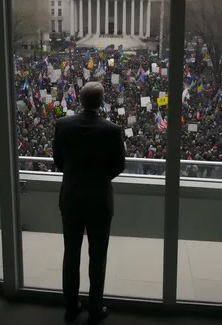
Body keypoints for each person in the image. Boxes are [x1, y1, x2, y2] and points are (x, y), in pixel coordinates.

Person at [53, 82, 126, 324]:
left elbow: (59, 161)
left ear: (80, 100)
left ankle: (71, 308)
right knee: (98, 257)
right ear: (101, 101)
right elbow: (119, 166)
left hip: (71, 199)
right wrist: (100, 179)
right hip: (99, 202)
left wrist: (75, 177)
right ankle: (95, 310)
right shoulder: (113, 130)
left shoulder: (63, 125)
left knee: (70, 255)